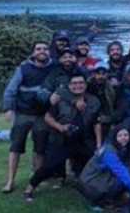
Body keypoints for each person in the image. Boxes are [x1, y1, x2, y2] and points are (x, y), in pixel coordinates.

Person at [24, 72, 100, 202]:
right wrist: (60, 127)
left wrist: (98, 144)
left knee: (94, 166)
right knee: (49, 166)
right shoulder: (61, 99)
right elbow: (47, 117)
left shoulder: (94, 100)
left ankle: (94, 193)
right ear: (69, 86)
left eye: (81, 83)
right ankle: (29, 189)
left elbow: (96, 123)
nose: (78, 86)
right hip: (63, 139)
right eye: (74, 83)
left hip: (84, 141)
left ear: (86, 85)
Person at [1, 41, 54, 193]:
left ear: (49, 52)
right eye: (38, 49)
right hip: (23, 114)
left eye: (45, 49)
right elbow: (11, 89)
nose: (42, 51)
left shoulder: (54, 68)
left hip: (43, 116)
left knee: (40, 150)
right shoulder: (23, 68)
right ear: (33, 52)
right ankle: (10, 181)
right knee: (15, 147)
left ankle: (34, 182)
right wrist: (8, 108)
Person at [76, 125, 130, 211]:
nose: (123, 138)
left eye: (126, 135)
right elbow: (120, 170)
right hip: (90, 183)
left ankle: (109, 199)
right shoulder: (108, 151)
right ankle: (99, 201)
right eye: (120, 135)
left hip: (98, 178)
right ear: (115, 136)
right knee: (124, 175)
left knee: (128, 172)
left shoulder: (121, 148)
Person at [86, 65, 116, 138]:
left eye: (103, 74)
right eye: (98, 74)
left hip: (108, 118)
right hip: (91, 118)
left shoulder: (112, 88)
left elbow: (117, 105)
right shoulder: (87, 86)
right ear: (94, 75)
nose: (101, 76)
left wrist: (110, 118)